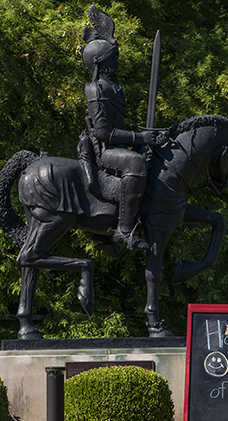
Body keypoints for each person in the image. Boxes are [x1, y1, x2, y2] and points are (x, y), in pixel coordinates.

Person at [80, 6, 165, 251]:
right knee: (136, 163)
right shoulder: (96, 90)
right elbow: (104, 133)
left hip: (120, 144)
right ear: (100, 63)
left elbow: (120, 126)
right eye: (113, 60)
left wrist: (150, 137)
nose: (117, 64)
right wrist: (141, 137)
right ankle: (123, 231)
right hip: (105, 150)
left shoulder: (116, 89)